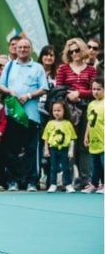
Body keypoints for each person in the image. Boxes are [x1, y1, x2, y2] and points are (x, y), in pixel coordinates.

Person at [0, 38, 48, 192]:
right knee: (11, 149)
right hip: (13, 114)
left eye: (26, 47)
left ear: (31, 49)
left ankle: (31, 181)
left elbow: (44, 89)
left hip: (31, 115)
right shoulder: (10, 65)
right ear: (15, 49)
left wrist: (28, 95)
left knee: (31, 148)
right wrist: (10, 91)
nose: (23, 50)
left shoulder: (38, 67)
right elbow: (1, 85)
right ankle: (13, 181)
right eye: (20, 47)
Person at [56, 38, 96, 189]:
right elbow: (58, 89)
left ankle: (86, 179)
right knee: (67, 144)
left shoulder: (91, 69)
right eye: (71, 51)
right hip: (67, 109)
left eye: (77, 50)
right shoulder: (63, 68)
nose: (74, 54)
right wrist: (69, 94)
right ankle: (67, 180)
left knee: (83, 145)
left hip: (86, 108)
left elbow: (95, 91)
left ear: (82, 50)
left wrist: (79, 93)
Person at [37, 45, 60, 187]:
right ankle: (40, 174)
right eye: (46, 54)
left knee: (53, 143)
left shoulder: (58, 73)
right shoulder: (36, 71)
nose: (48, 57)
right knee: (40, 143)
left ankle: (53, 176)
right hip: (37, 111)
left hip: (53, 113)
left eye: (51, 55)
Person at [42, 101, 77, 193]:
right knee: (53, 167)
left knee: (66, 167)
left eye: (59, 110)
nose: (56, 112)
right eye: (54, 110)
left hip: (65, 149)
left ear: (64, 111)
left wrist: (71, 151)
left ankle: (68, 184)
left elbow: (72, 139)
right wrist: (46, 150)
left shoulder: (68, 124)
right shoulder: (50, 124)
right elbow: (46, 137)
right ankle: (53, 184)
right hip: (53, 148)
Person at [82, 77, 104, 193]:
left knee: (103, 163)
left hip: (103, 139)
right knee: (94, 164)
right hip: (94, 140)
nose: (95, 92)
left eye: (98, 89)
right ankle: (94, 184)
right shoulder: (91, 104)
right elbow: (89, 122)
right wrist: (86, 136)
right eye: (93, 89)